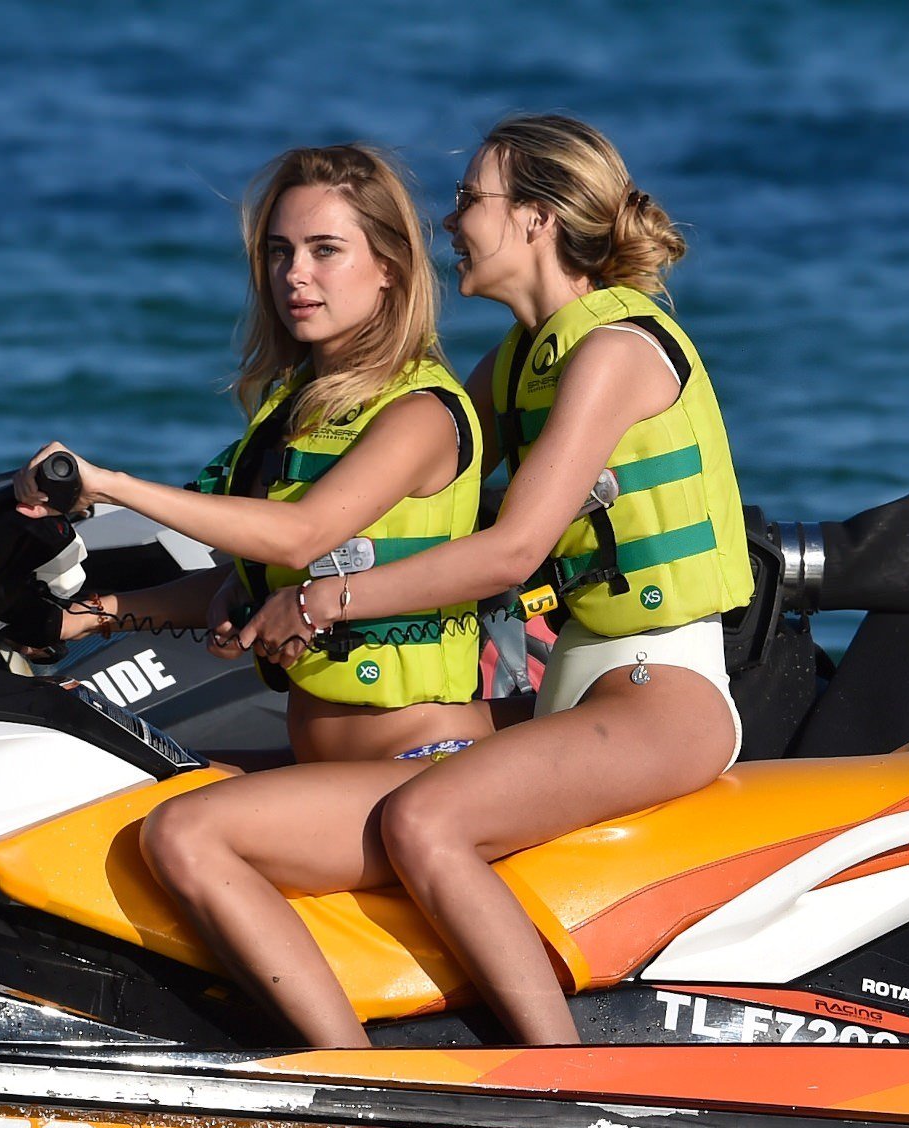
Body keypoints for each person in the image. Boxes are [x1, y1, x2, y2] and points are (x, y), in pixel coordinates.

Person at [242, 115, 755, 1045]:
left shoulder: (613, 352)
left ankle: (562, 1081)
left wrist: (328, 597)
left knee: (426, 818)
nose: (449, 222)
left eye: (468, 199)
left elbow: (514, 550)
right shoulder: (520, 362)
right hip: (577, 687)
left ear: (535, 219)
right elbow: (401, 476)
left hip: (659, 694)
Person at [15, 144, 489, 1047]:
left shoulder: (420, 413)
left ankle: (352, 1082)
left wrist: (112, 483)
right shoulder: (293, 407)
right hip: (329, 770)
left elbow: (301, 536)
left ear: (388, 270)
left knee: (188, 835)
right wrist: (83, 617)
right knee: (120, 792)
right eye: (278, 252)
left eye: (324, 251)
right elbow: (242, 583)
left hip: (421, 769)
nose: (294, 276)